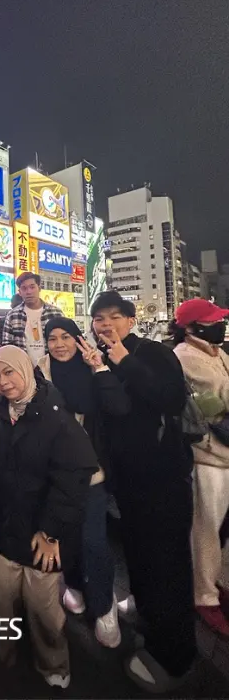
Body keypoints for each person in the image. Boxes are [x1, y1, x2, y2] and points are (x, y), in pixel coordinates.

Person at [90, 291, 196, 692]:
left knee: (168, 566)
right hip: (128, 483)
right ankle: (146, 612)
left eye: (114, 317)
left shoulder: (151, 353)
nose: (105, 325)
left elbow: (171, 399)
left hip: (162, 481)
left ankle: (175, 658)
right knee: (139, 555)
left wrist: (125, 362)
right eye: (99, 318)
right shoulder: (98, 359)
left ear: (130, 320)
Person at [0, 346, 97, 688]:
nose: (4, 383)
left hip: (41, 535)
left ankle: (53, 663)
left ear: (27, 370)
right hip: (6, 529)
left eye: (10, 373)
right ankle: (2, 656)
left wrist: (51, 532)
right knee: (2, 600)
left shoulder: (55, 416)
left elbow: (74, 477)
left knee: (43, 607)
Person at [38, 317, 130, 648]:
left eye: (66, 337)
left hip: (91, 472)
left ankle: (105, 607)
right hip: (56, 475)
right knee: (68, 537)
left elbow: (119, 407)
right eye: (52, 338)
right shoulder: (40, 373)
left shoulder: (93, 367)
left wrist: (100, 370)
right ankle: (74, 584)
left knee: (94, 541)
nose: (59, 344)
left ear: (79, 340)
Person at [172, 298, 229, 636]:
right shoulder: (184, 356)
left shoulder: (215, 352)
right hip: (207, 455)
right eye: (211, 321)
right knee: (206, 528)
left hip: (225, 451)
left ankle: (218, 581)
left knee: (221, 528)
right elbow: (219, 398)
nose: (219, 325)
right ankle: (204, 596)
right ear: (191, 327)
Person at [1, 272, 62, 365]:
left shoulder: (55, 313)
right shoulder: (12, 316)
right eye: (24, 288)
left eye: (32, 287)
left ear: (39, 288)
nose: (28, 291)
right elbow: (7, 347)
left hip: (53, 367)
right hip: (24, 369)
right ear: (20, 292)